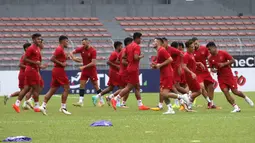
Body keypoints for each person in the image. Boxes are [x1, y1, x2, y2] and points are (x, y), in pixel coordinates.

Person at [206, 42, 254, 112]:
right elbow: (211, 68)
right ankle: (236, 107)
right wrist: (214, 70)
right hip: (220, 77)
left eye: (209, 49)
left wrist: (224, 64)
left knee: (235, 92)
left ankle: (245, 97)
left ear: (214, 48)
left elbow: (233, 60)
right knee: (225, 91)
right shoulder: (210, 58)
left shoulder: (223, 53)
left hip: (228, 75)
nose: (209, 51)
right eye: (208, 50)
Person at [111, 32, 149, 110]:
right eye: (140, 38)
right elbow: (135, 57)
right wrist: (141, 56)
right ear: (137, 38)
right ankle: (115, 99)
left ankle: (140, 105)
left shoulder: (128, 46)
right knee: (128, 87)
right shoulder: (136, 46)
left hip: (130, 68)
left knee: (137, 87)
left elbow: (123, 57)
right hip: (134, 69)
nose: (141, 40)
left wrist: (129, 60)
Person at [151, 38, 189, 114]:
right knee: (162, 93)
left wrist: (160, 65)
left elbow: (170, 59)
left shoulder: (162, 50)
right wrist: (155, 66)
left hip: (167, 74)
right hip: (164, 74)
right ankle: (170, 109)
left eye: (154, 41)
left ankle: (182, 97)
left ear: (159, 43)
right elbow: (161, 64)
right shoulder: (159, 51)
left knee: (165, 93)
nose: (153, 43)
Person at [39, 35, 71, 115]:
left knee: (53, 89)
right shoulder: (59, 49)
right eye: (67, 41)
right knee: (67, 87)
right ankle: (63, 107)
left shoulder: (61, 49)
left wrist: (66, 59)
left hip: (56, 70)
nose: (68, 43)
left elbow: (59, 58)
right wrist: (62, 64)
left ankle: (43, 106)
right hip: (59, 71)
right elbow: (52, 58)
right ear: (63, 41)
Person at [12, 33, 43, 113]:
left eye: (40, 39)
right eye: (37, 39)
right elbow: (25, 59)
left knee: (26, 89)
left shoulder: (37, 48)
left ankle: (16, 104)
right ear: (33, 40)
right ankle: (36, 106)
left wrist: (40, 65)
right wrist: (35, 63)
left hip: (32, 69)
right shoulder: (31, 48)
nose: (39, 40)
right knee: (37, 88)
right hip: (31, 70)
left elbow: (37, 59)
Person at [70, 38, 102, 107]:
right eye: (82, 44)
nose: (83, 45)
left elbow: (93, 63)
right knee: (82, 85)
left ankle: (101, 100)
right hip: (85, 71)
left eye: (84, 44)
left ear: (88, 42)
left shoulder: (93, 51)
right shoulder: (82, 49)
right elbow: (71, 52)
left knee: (96, 86)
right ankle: (81, 101)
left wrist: (83, 67)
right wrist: (73, 57)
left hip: (91, 70)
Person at [92, 41, 123, 106]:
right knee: (122, 88)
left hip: (114, 72)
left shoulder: (119, 53)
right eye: (121, 46)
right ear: (117, 46)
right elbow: (108, 62)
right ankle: (116, 102)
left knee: (110, 88)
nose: (122, 47)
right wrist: (116, 66)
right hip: (115, 72)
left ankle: (97, 96)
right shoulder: (114, 54)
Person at [105, 37, 133, 108]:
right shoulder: (123, 51)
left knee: (123, 88)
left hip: (121, 72)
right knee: (127, 88)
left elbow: (118, 60)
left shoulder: (121, 52)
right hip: (123, 72)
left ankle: (111, 97)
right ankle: (120, 102)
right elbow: (110, 61)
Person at [192, 37, 219, 109]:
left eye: (196, 43)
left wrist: (212, 65)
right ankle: (210, 102)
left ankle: (211, 103)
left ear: (198, 42)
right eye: (194, 44)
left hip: (205, 71)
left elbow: (209, 57)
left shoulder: (204, 49)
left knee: (211, 87)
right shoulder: (191, 51)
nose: (195, 45)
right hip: (197, 73)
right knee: (202, 88)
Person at [182, 39, 202, 110]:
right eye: (191, 47)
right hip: (190, 76)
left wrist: (199, 63)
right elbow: (184, 66)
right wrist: (191, 73)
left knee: (194, 91)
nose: (193, 48)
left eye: (193, 46)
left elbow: (191, 63)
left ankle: (189, 106)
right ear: (187, 48)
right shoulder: (186, 55)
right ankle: (185, 99)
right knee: (199, 91)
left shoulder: (191, 54)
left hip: (192, 75)